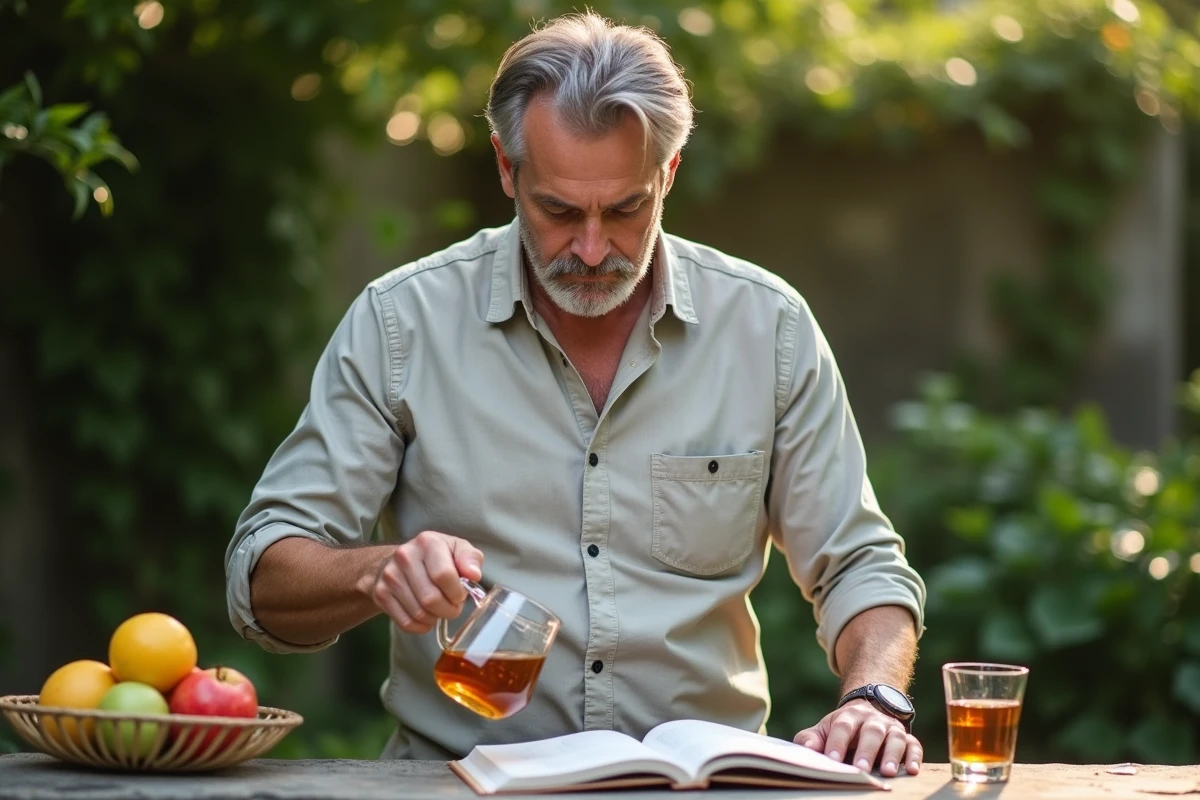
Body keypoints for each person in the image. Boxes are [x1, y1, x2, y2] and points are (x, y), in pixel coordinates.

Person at [225, 11, 927, 777]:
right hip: (460, 785)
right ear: (505, 167)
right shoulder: (402, 325)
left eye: (626, 209)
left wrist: (875, 696)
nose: (592, 249)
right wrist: (376, 570)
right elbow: (262, 577)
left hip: (702, 790)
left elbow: (858, 562)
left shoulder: (770, 328)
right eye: (559, 210)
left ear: (669, 173)